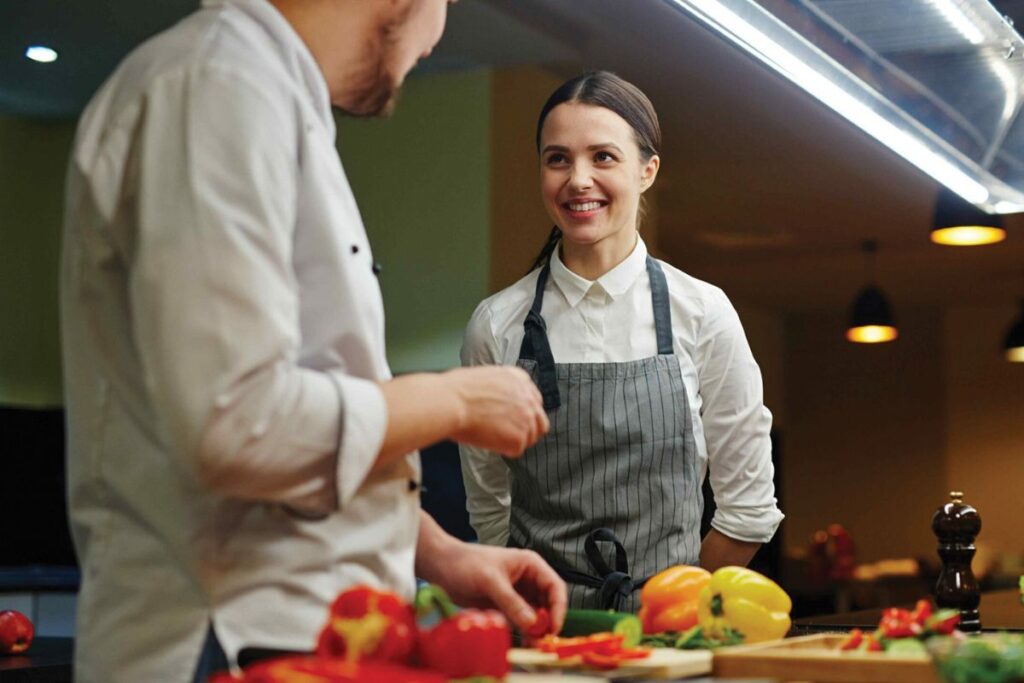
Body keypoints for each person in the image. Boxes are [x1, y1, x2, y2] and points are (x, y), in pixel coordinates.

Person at [60, 1, 565, 681]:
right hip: (226, 640)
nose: (437, 31)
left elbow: (297, 432)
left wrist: (440, 553)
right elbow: (236, 420)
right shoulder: (218, 83)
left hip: (303, 631)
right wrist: (452, 399)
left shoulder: (263, 91)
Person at [459, 71, 784, 612]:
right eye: (557, 158)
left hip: (670, 639)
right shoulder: (496, 325)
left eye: (603, 157)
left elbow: (749, 509)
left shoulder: (702, 314)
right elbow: (490, 508)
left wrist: (675, 607)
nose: (577, 179)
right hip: (538, 637)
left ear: (647, 170)